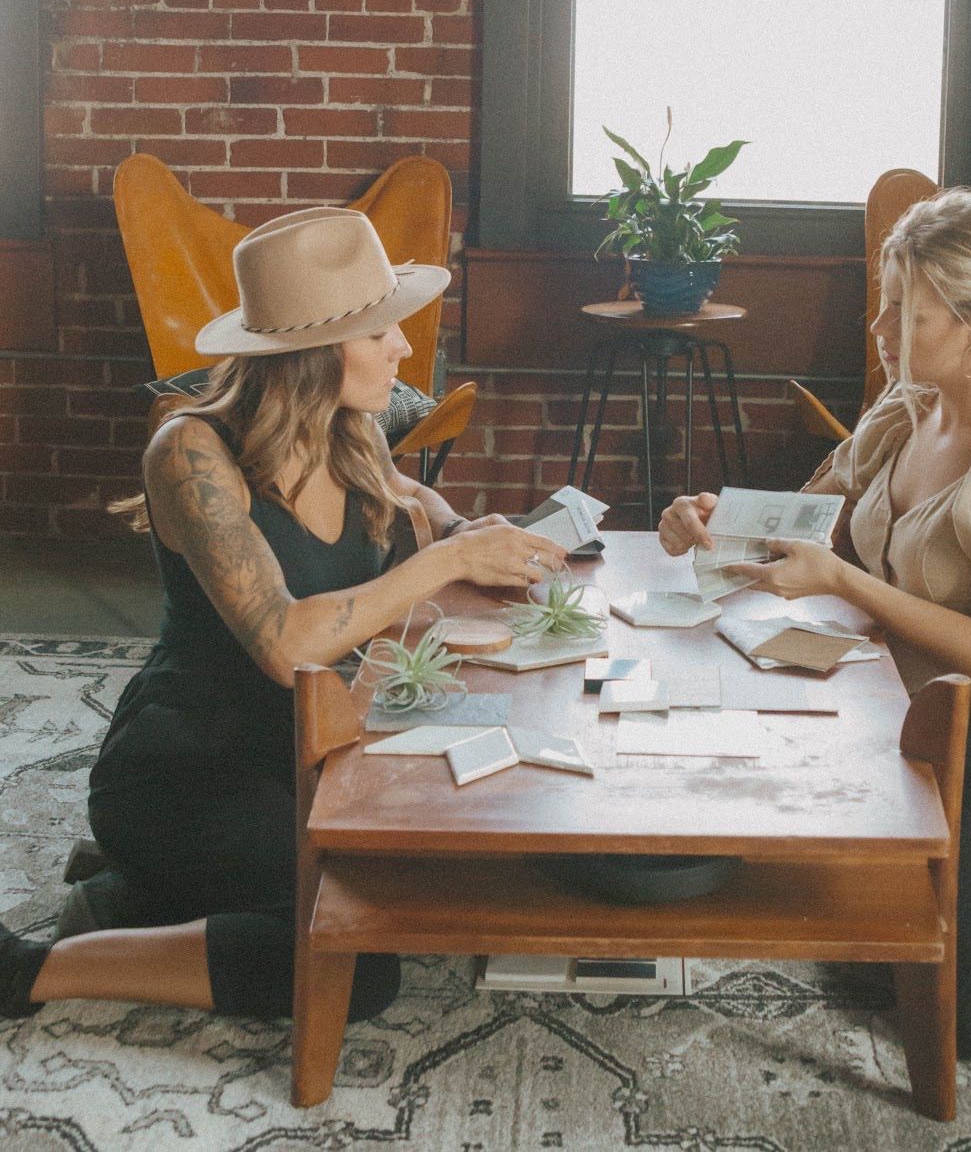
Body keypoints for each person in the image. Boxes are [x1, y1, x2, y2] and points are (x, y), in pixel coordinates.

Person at [0, 205, 566, 1022]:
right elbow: (286, 641)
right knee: (355, 963)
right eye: (380, 333)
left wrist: (463, 531)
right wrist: (444, 562)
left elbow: (416, 498)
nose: (404, 347)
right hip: (186, 767)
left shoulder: (352, 427)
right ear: (311, 351)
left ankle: (147, 893)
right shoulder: (192, 450)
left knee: (417, 866)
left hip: (299, 741)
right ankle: (37, 967)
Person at [659, 187, 971, 1060]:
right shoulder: (908, 409)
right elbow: (797, 524)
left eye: (907, 311)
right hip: (911, 736)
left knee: (966, 1010)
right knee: (863, 946)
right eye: (885, 302)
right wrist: (706, 517)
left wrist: (851, 584)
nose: (881, 327)